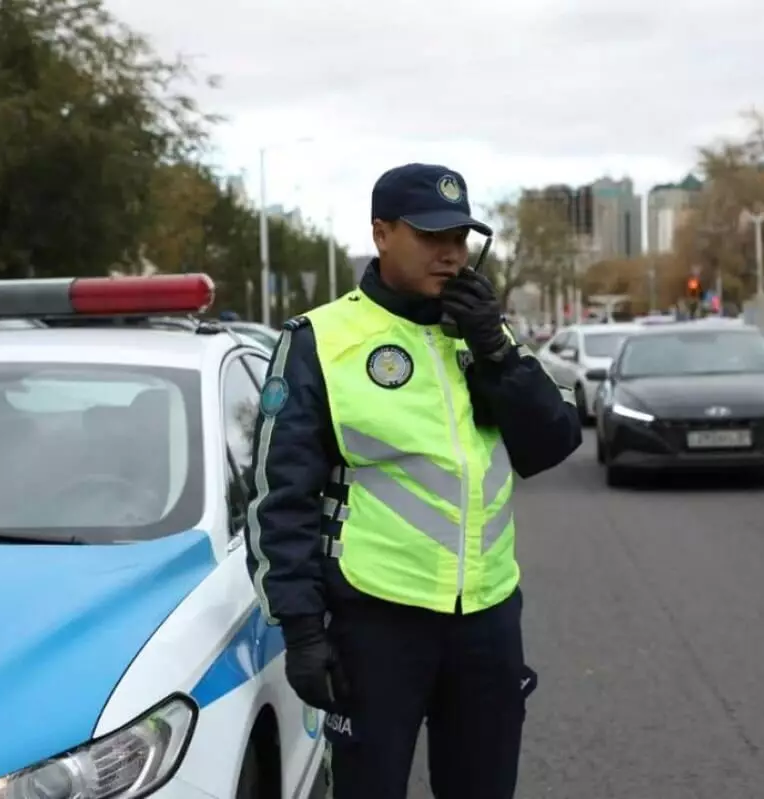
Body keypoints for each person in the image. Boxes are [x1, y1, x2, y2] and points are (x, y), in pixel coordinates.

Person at [244, 162, 583, 799]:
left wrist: (496, 349)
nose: (450, 254)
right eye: (430, 237)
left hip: (486, 618)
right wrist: (302, 632)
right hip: (376, 621)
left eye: (459, 238)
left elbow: (551, 442)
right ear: (381, 233)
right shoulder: (322, 339)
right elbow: (280, 498)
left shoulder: (484, 332)